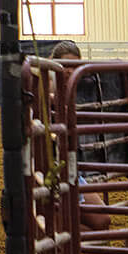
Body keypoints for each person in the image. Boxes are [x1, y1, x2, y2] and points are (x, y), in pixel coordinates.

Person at [51, 42, 111, 232]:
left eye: (74, 66)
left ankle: (58, 228)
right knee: (81, 229)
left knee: (102, 222)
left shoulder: (69, 90)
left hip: (68, 167)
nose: (70, 71)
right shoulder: (44, 85)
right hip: (47, 170)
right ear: (53, 64)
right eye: (65, 65)